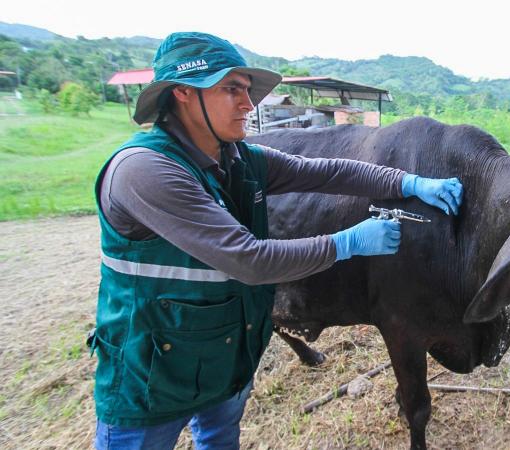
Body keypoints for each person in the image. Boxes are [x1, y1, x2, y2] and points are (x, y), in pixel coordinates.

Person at [90, 32, 463, 450]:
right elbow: (249, 260)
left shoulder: (238, 158)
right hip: (151, 377)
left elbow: (328, 172)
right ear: (182, 94)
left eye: (247, 91)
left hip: (223, 359)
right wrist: (347, 242)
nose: (248, 104)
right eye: (231, 89)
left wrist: (409, 182)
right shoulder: (146, 170)